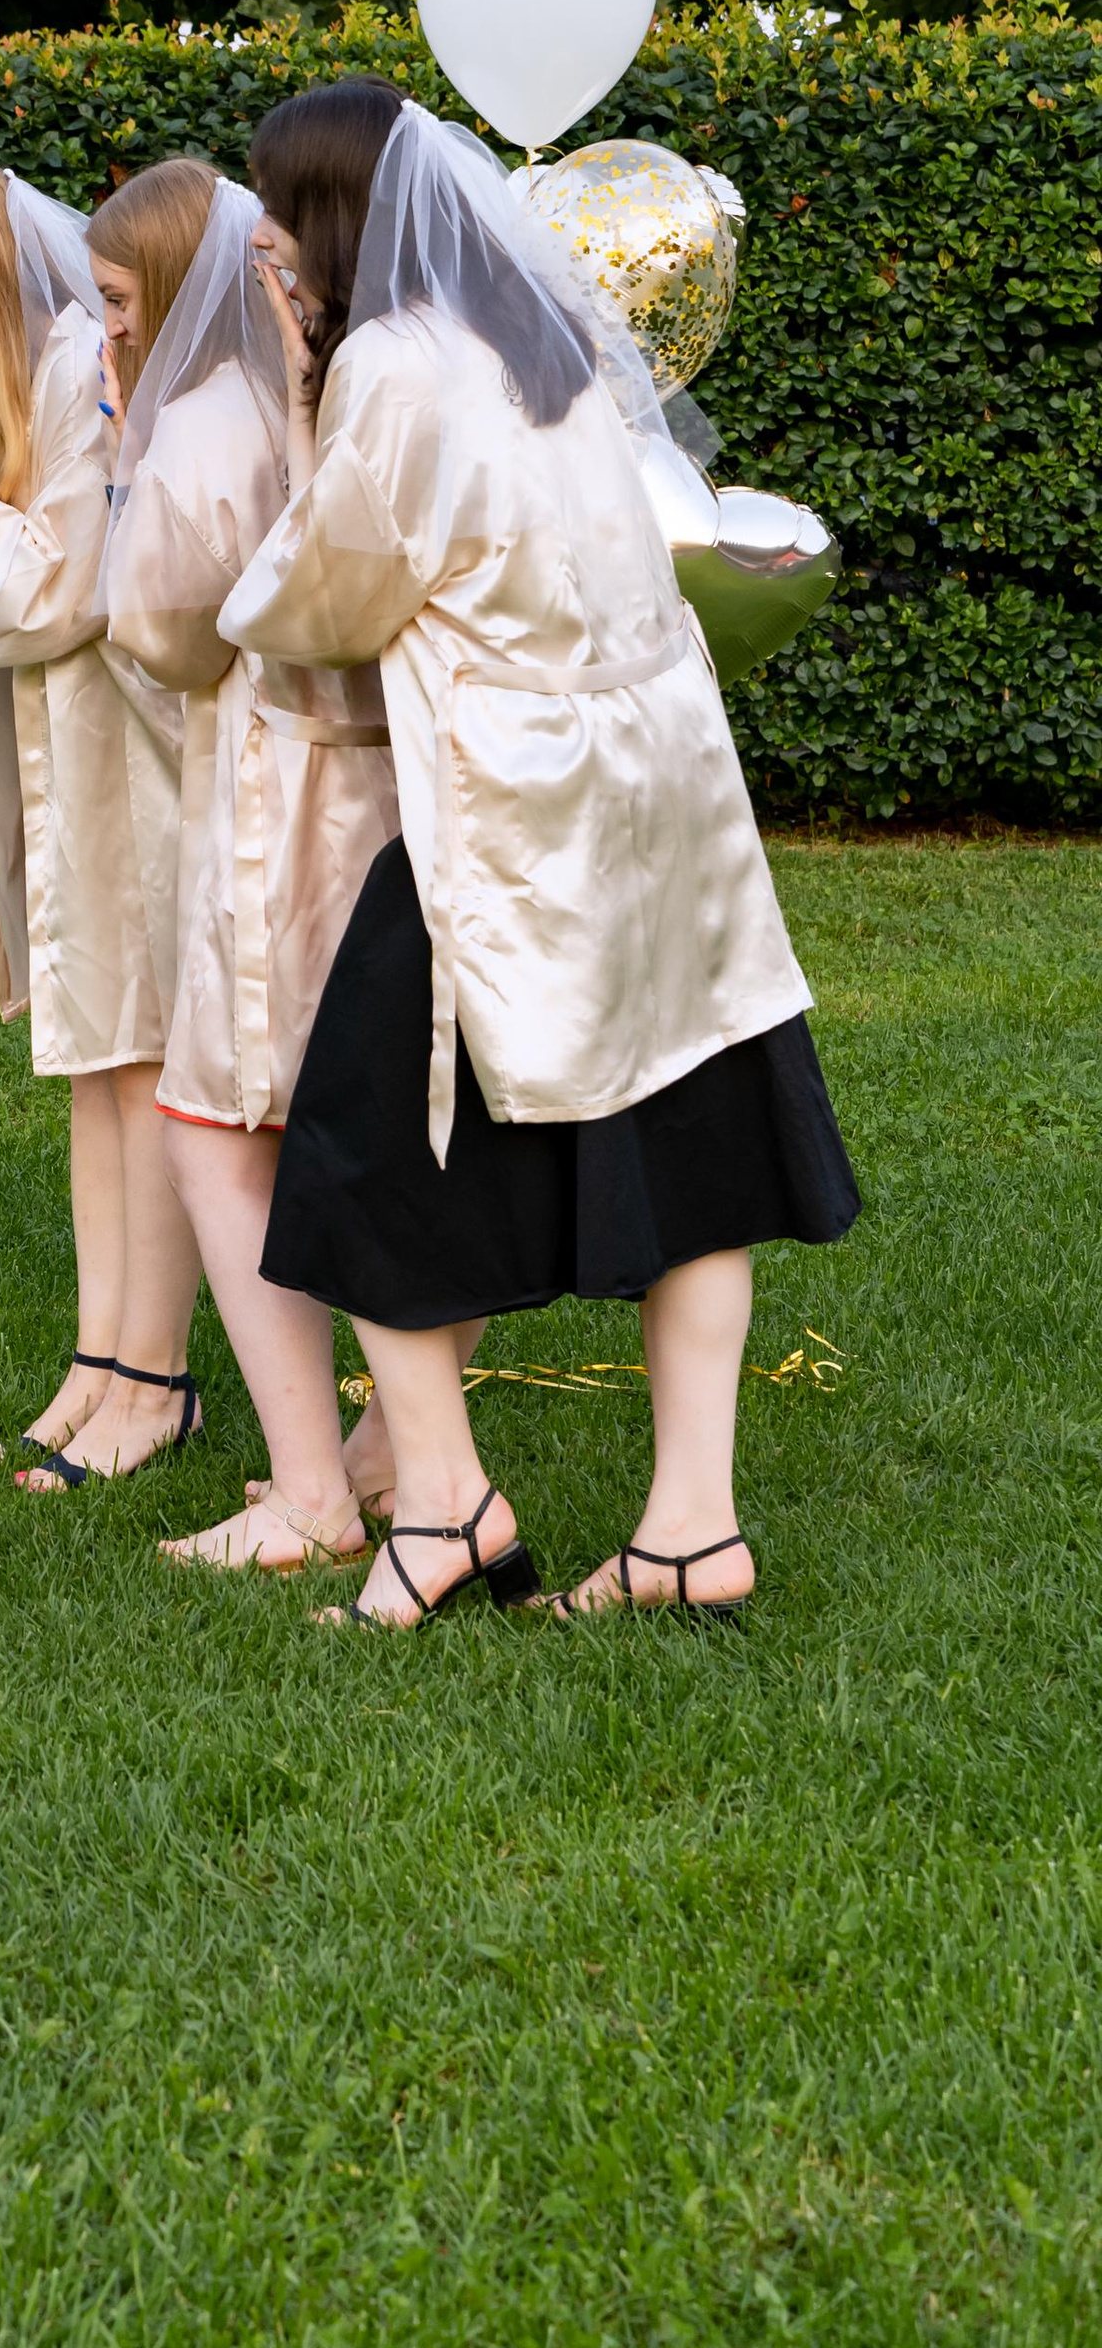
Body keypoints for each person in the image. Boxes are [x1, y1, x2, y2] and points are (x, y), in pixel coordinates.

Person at [219, 83, 860, 1628]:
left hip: (508, 816)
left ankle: (443, 1511)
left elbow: (324, 606)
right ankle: (689, 1530)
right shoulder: (555, 346)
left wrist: (305, 402)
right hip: (668, 798)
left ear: (323, 225)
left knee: (360, 1142)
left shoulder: (393, 360)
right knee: (695, 1140)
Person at [0, 155, 200, 1488]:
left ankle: (155, 1375)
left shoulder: (74, 364)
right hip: (72, 756)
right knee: (92, 1061)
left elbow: (56, 598)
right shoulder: (7, 385)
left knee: (143, 1065)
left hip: (131, 757)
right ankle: (99, 1356)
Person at [98, 158, 406, 1574]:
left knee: (218, 1122)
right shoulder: (373, 391)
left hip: (273, 798)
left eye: (114, 301)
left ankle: (307, 1487)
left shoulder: (206, 423)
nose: (104, 333)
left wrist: (119, 480)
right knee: (391, 1116)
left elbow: (164, 634)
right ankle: (396, 1443)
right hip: (400, 796)